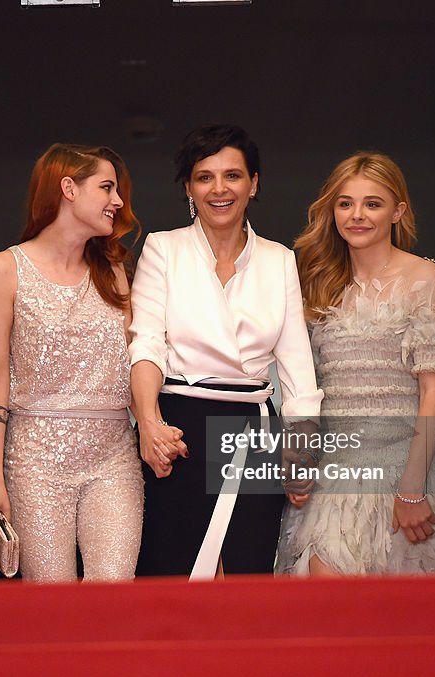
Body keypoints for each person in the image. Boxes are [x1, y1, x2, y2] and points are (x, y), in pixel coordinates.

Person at [129, 124, 323, 579]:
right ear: (189, 188)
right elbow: (147, 344)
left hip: (255, 431)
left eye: (232, 176)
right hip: (179, 431)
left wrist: (301, 449)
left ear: (253, 184)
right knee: (173, 577)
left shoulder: (279, 260)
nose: (219, 189)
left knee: (244, 573)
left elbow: (297, 369)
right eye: (204, 177)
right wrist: (150, 424)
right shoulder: (164, 248)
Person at [275, 151, 435, 575]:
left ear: (397, 211)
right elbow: (300, 384)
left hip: (404, 474)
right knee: (324, 608)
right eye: (345, 203)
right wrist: (298, 456)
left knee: (400, 627)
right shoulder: (316, 281)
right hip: (333, 473)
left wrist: (413, 489)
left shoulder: (423, 278)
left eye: (372, 203)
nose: (356, 215)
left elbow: (434, 393)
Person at [0, 144, 145, 582]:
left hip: (113, 458)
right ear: (68, 188)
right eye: (106, 187)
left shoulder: (113, 272)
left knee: (114, 593)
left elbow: (135, 360)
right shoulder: (4, 270)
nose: (118, 202)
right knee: (54, 607)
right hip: (35, 461)